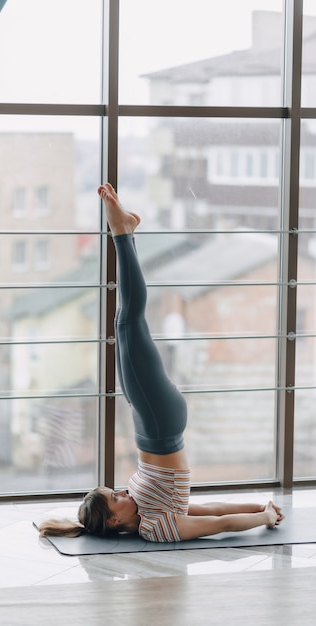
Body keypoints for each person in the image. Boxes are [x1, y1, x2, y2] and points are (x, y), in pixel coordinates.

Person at [39, 183, 284, 543]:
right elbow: (217, 524)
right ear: (112, 522)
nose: (123, 492)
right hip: (160, 423)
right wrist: (263, 517)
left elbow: (215, 509)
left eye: (116, 491)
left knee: (123, 324)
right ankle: (122, 232)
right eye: (117, 498)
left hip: (149, 422)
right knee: (128, 321)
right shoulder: (156, 527)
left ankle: (126, 232)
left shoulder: (143, 505)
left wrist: (261, 505)